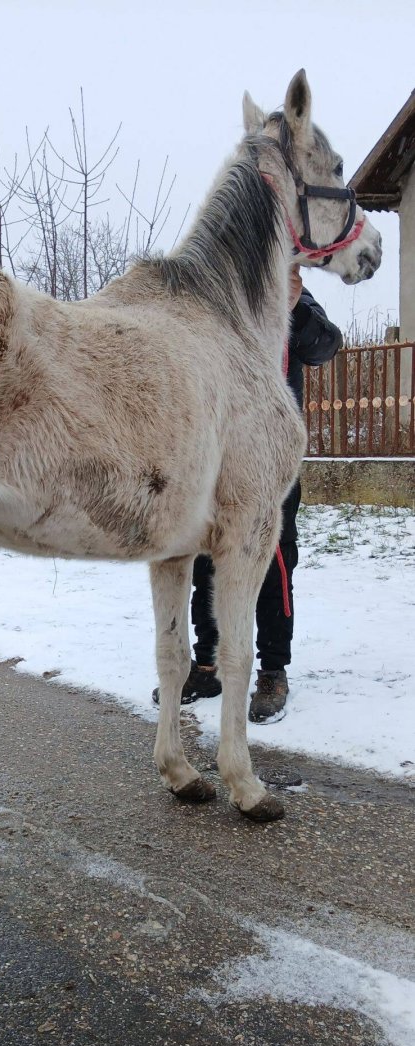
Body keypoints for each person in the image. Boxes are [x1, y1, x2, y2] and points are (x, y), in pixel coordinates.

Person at [153, 268, 342, 723]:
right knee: (202, 554)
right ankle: (208, 663)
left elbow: (325, 346)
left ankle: (273, 670)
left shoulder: (288, 291)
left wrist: (295, 305)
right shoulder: (218, 296)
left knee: (272, 558)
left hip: (268, 458)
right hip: (213, 452)